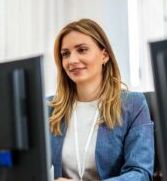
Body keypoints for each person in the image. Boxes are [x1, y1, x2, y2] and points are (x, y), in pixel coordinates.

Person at [47, 18, 154, 181]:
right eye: (65, 54)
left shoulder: (133, 105)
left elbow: (140, 174)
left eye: (82, 50)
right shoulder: (49, 108)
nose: (72, 60)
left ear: (104, 56)